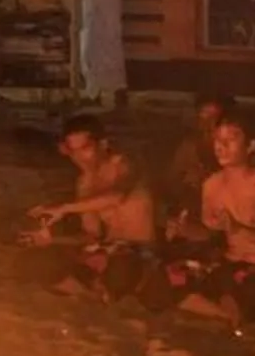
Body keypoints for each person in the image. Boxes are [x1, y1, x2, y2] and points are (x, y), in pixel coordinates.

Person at [147, 109, 255, 327]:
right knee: (165, 279)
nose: (220, 146)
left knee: (254, 291)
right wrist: (184, 229)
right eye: (217, 139)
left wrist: (241, 231)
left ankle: (223, 311)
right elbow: (210, 233)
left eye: (231, 139)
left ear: (250, 146)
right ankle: (228, 313)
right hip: (229, 265)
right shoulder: (212, 185)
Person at [20, 112, 157, 301]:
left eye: (85, 148)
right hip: (106, 250)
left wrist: (63, 208)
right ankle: (92, 294)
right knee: (34, 262)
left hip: (139, 252)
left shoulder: (124, 164)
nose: (78, 157)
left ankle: (102, 289)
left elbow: (116, 197)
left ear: (102, 145)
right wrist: (52, 240)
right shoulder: (84, 182)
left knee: (120, 268)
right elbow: (90, 235)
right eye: (72, 150)